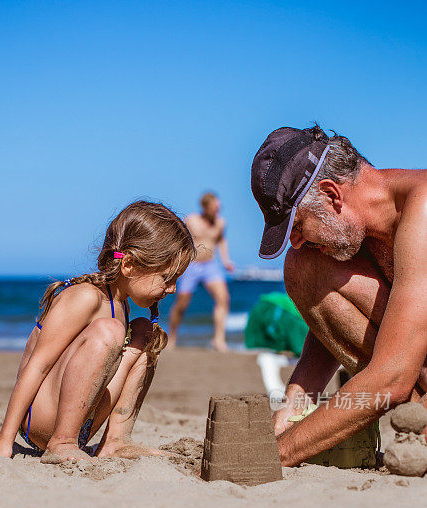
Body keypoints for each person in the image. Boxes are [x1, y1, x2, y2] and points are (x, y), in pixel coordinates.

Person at [251, 124, 427, 466]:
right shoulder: (368, 232)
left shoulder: (421, 212)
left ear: (332, 194)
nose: (296, 240)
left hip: (402, 374)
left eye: (297, 226)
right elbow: (331, 324)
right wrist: (296, 400)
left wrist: (276, 454)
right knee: (304, 264)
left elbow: (392, 379)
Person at [0, 201, 196, 462]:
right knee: (109, 331)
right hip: (39, 419)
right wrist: (4, 441)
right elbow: (37, 366)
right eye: (167, 278)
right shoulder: (85, 297)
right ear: (129, 265)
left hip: (80, 421)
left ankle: (116, 441)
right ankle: (61, 442)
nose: (173, 289)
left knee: (145, 333)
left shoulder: (120, 304)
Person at [168, 192, 234, 351]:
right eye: (214, 208)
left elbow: (221, 241)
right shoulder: (191, 220)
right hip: (191, 265)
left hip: (210, 265)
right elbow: (178, 240)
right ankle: (172, 337)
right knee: (182, 304)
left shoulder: (220, 223)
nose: (217, 210)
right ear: (205, 207)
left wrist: (226, 260)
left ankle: (218, 340)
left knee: (223, 298)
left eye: (219, 207)